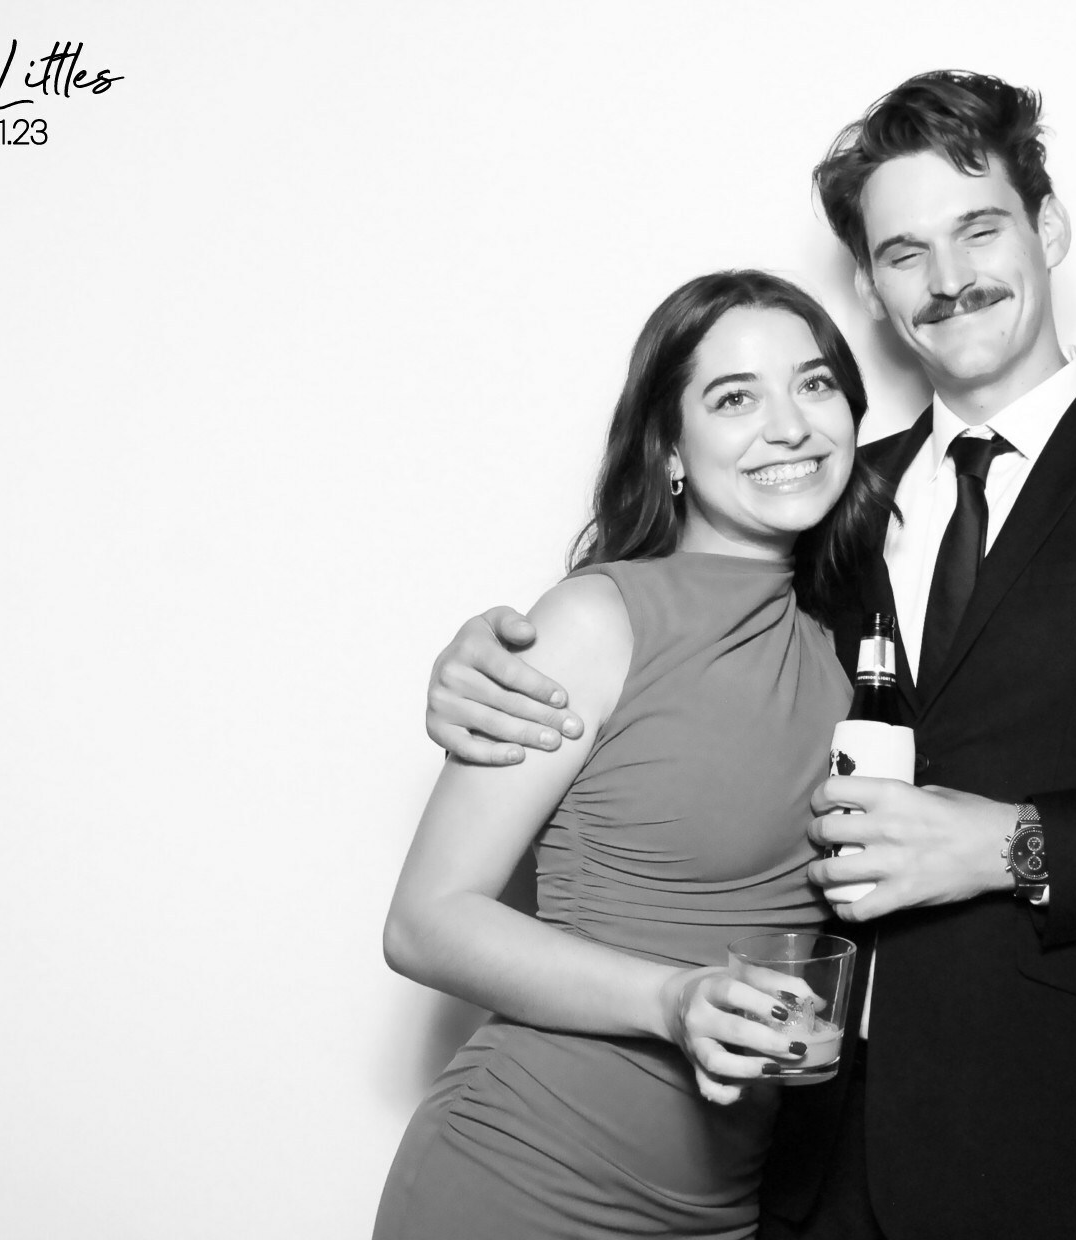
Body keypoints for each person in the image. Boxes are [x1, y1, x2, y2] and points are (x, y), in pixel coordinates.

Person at [426, 72, 1076, 1240]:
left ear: (1047, 228)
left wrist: (1018, 842)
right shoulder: (829, 500)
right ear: (871, 289)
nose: (947, 276)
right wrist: (485, 658)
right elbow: (676, 642)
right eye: (902, 252)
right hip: (814, 1160)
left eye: (978, 228)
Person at [373, 269, 897, 1240]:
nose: (788, 425)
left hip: (720, 1208)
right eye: (734, 398)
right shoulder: (595, 621)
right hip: (522, 1179)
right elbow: (425, 922)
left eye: (814, 384)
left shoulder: (844, 651)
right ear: (668, 451)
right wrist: (674, 996)